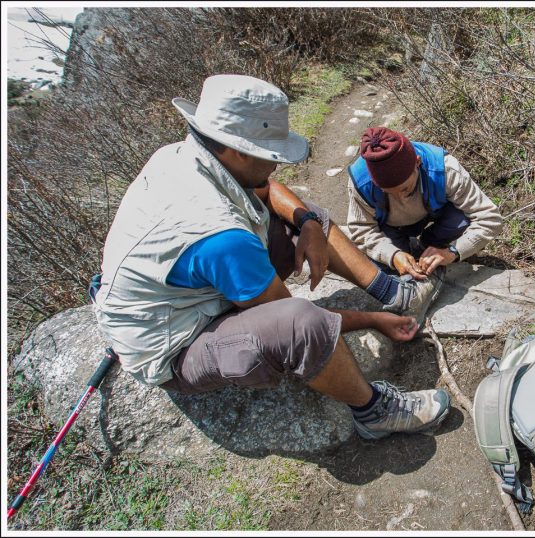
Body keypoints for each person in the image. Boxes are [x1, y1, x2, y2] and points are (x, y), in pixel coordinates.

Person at [92, 75, 450, 440]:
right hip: (178, 340)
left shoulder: (194, 154)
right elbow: (288, 316)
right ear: (239, 150)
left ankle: (394, 294)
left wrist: (308, 223)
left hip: (195, 288)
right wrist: (374, 320)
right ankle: (374, 412)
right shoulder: (219, 234)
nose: (276, 165)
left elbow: (266, 188)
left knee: (305, 213)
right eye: (269, 154)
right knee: (301, 324)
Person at [346, 127, 503, 283]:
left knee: (460, 220)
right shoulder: (361, 183)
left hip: (435, 216)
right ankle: (404, 249)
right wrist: (392, 255)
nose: (400, 199)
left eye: (405, 188)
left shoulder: (444, 169)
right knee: (383, 268)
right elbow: (361, 230)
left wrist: (453, 251)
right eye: (388, 192)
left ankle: (429, 246)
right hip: (389, 228)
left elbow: (490, 219)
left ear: (417, 163)